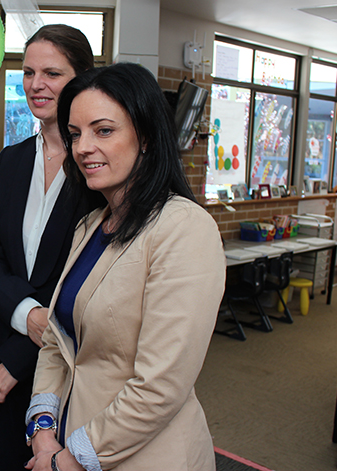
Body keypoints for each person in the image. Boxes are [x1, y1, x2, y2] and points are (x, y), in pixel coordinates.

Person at [24, 63, 226, 471]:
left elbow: (160, 385)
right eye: (75, 134)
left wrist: (68, 462)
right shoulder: (90, 225)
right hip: (69, 440)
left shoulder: (183, 228)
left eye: (103, 130)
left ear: (146, 136)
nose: (83, 147)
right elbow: (56, 341)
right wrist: (42, 430)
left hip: (147, 455)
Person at [0, 24, 101, 470]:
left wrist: (20, 358)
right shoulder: (10, 160)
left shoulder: (96, 168)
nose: (36, 84)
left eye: (52, 72)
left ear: (81, 78)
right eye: (28, 72)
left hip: (70, 362)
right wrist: (27, 317)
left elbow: (92, 280)